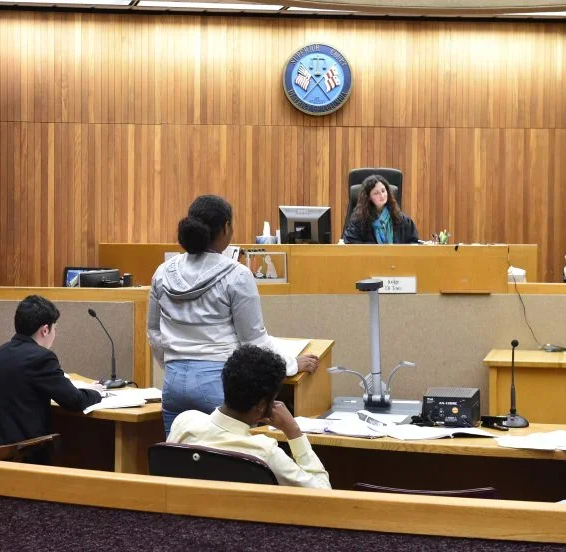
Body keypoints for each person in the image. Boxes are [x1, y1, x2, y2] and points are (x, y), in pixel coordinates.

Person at [148, 195, 318, 435]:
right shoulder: (236, 275)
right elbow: (254, 343)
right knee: (225, 464)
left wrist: (172, 365)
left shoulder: (162, 272)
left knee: (180, 462)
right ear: (226, 227)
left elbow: (154, 333)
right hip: (217, 382)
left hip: (174, 383)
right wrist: (290, 364)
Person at [168, 345, 331, 489]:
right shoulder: (265, 452)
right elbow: (324, 495)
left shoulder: (185, 422)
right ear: (261, 405)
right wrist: (294, 432)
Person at [0, 295, 103, 462]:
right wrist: (96, 393)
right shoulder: (42, 358)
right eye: (55, 328)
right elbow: (74, 401)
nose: (55, 334)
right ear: (45, 330)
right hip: (27, 451)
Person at [342, 174, 419, 244]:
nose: (382, 196)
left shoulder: (402, 220)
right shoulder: (358, 222)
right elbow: (351, 244)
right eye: (376, 193)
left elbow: (413, 243)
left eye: (383, 191)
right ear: (368, 197)